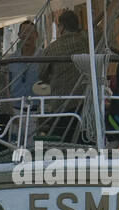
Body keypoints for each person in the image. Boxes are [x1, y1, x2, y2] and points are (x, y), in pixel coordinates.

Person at [37, 9, 88, 139]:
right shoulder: (87, 42)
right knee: (83, 142)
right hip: (85, 103)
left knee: (62, 142)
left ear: (62, 27)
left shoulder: (52, 48)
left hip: (61, 103)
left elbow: (41, 74)